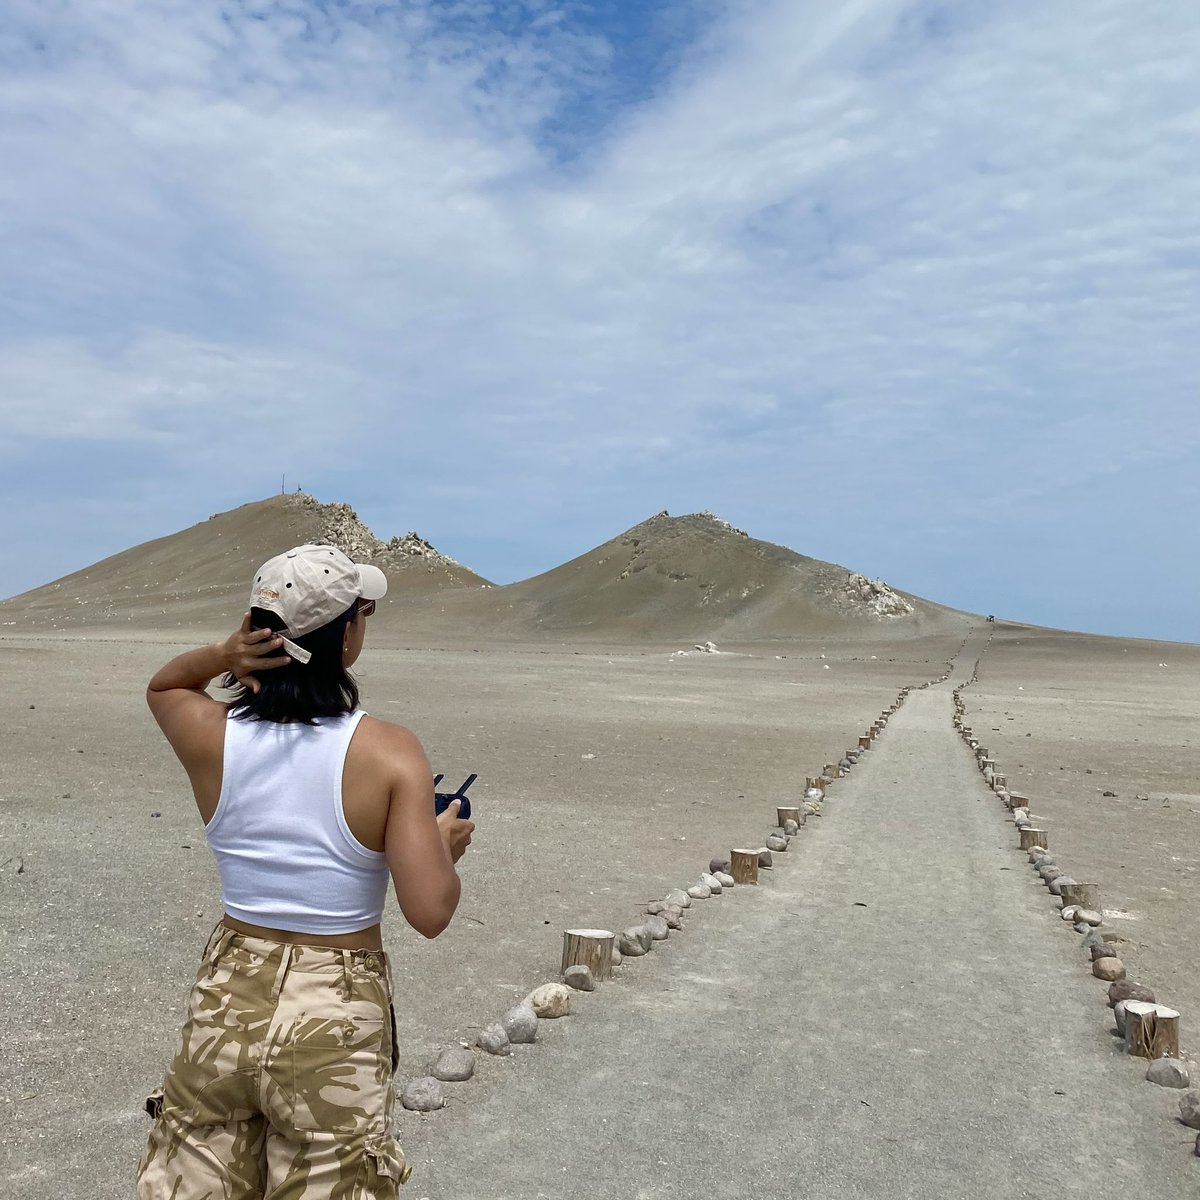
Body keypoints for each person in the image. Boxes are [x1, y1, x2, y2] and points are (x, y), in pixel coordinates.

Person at [136, 543, 474, 1199]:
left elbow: (165, 685)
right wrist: (439, 846)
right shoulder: (388, 750)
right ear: (346, 637)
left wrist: (222, 656)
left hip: (228, 993)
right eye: (362, 613)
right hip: (336, 1008)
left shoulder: (212, 734)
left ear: (256, 630)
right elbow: (430, 911)